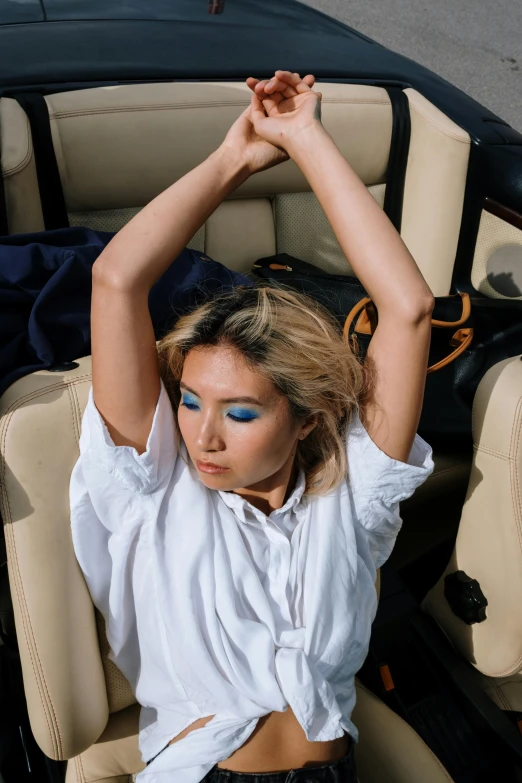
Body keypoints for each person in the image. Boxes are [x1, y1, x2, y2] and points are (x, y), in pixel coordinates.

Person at [70, 70, 435, 783]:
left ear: (304, 420)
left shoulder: (353, 500)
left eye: (240, 412)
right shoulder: (152, 489)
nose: (204, 435)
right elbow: (116, 279)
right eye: (190, 399)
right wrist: (234, 157)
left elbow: (410, 309)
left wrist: (305, 137)